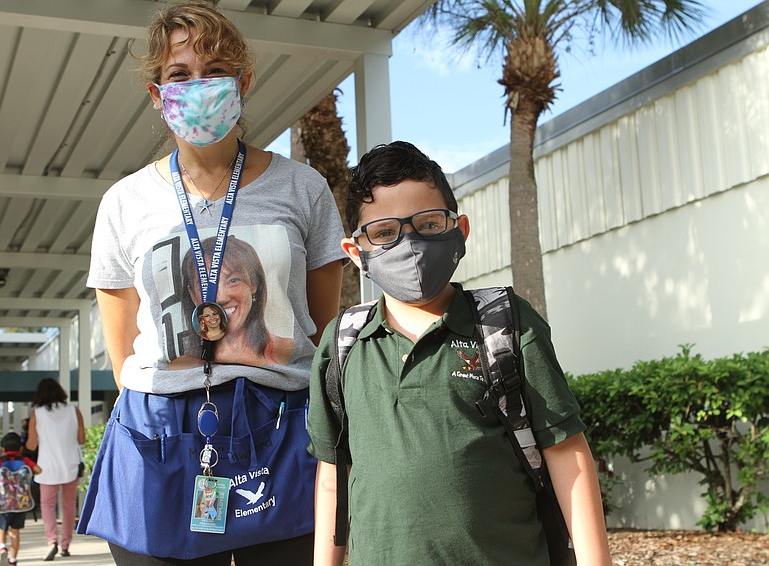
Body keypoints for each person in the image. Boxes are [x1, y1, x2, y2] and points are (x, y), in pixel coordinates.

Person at [78, 2, 345, 564]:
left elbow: (321, 331)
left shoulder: (303, 189)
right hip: (162, 437)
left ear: (244, 81)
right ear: (157, 94)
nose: (198, 87)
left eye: (216, 71)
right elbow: (123, 348)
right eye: (179, 75)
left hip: (281, 431)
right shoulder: (125, 203)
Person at [307, 141, 612, 566]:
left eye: (429, 224)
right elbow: (332, 476)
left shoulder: (505, 325)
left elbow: (567, 453)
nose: (409, 243)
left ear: (459, 230)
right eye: (384, 233)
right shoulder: (342, 345)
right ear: (356, 252)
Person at [174, 235, 294, 368]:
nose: (221, 298)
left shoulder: (290, 352)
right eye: (205, 286)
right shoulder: (177, 367)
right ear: (192, 295)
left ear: (254, 283)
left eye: (233, 280)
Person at [26, 378, 85, 561]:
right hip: (70, 465)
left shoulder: (37, 414)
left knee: (47, 506)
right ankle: (66, 545)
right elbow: (81, 440)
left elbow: (31, 445)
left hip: (47, 468)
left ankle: (52, 541)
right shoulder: (74, 411)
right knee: (68, 507)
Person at [0, 432, 43, 566]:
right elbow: (38, 470)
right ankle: (13, 560)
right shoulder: (24, 460)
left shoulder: (0, 460)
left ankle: (2, 548)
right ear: (20, 449)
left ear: (2, 449)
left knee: (1, 529)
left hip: (3, 503)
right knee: (15, 532)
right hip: (21, 503)